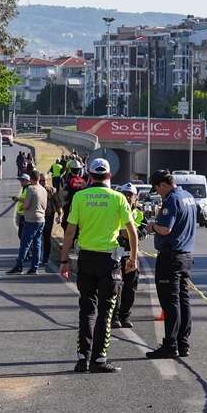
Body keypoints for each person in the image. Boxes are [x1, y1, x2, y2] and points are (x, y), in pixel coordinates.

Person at [58, 158, 138, 373]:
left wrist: (64, 260)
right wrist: (133, 259)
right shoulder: (119, 198)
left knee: (86, 309)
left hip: (86, 259)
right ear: (109, 176)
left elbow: (69, 232)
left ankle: (82, 358)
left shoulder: (80, 197)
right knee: (106, 311)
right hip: (109, 261)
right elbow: (132, 231)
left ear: (90, 175)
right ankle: (99, 359)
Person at [146, 169, 197, 359]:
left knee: (170, 302)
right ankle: (183, 343)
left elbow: (166, 229)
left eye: (157, 188)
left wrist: (152, 226)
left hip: (170, 257)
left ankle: (170, 344)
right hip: (186, 255)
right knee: (183, 301)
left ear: (163, 184)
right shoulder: (188, 196)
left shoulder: (172, 200)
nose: (158, 192)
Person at [112, 183, 148, 328]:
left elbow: (143, 232)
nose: (127, 197)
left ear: (135, 197)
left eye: (130, 195)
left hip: (130, 255)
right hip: (115, 254)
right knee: (115, 287)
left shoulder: (138, 214)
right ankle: (114, 317)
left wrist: (134, 234)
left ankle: (125, 316)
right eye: (125, 194)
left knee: (130, 287)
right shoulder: (113, 210)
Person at [9, 170, 47, 274]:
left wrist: (24, 208)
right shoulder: (43, 190)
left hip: (31, 219)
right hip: (41, 219)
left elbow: (26, 205)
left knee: (25, 243)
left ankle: (19, 265)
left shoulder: (30, 189)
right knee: (37, 243)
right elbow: (45, 206)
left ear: (31, 179)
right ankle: (34, 267)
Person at [39, 172, 59, 272]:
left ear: (47, 181)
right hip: (38, 216)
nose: (42, 182)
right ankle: (37, 257)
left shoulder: (52, 190)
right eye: (41, 180)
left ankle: (46, 258)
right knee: (37, 237)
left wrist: (59, 214)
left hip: (49, 216)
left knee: (46, 236)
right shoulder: (35, 189)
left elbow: (57, 203)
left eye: (44, 180)